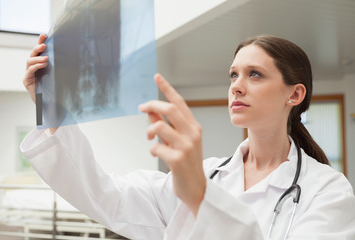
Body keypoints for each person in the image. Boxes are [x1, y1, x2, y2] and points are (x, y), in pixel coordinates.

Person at [21, 34, 355, 239]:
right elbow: (105, 194)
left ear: (294, 95)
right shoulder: (207, 174)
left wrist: (201, 197)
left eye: (255, 74)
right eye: (233, 74)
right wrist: (49, 106)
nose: (236, 86)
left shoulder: (327, 190)